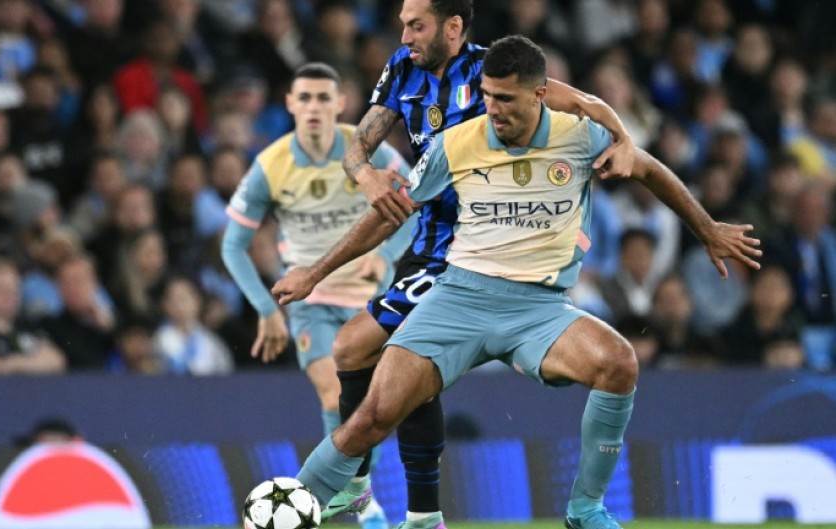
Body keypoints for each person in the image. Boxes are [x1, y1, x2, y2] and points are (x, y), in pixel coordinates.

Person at [272, 35, 762, 529]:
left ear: (539, 94)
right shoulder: (457, 142)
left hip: (539, 310)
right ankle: (288, 509)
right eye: (486, 95)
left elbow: (650, 170)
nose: (492, 108)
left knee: (618, 363)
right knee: (372, 416)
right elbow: (388, 216)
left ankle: (586, 508)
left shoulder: (580, 136)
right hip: (458, 299)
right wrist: (315, 274)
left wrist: (708, 229)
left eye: (505, 98)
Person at [320, 1, 636, 527]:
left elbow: (582, 102)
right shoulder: (402, 67)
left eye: (415, 25)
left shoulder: (494, 71)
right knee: (374, 358)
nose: (404, 35)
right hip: (424, 239)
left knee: (359, 346)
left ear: (453, 27)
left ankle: (386, 499)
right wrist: (365, 176)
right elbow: (359, 145)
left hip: (470, 248)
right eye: (402, 23)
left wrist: (624, 140)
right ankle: (393, 503)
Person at [222, 62, 414, 529]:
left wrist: (386, 257)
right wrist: (266, 310)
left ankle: (360, 494)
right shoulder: (271, 164)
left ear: (340, 104)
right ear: (289, 104)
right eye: (304, 98)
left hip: (373, 300)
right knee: (334, 397)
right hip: (313, 301)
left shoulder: (369, 152)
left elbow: (416, 201)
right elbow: (233, 244)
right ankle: (360, 501)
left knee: (377, 410)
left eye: (322, 98)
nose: (313, 107)